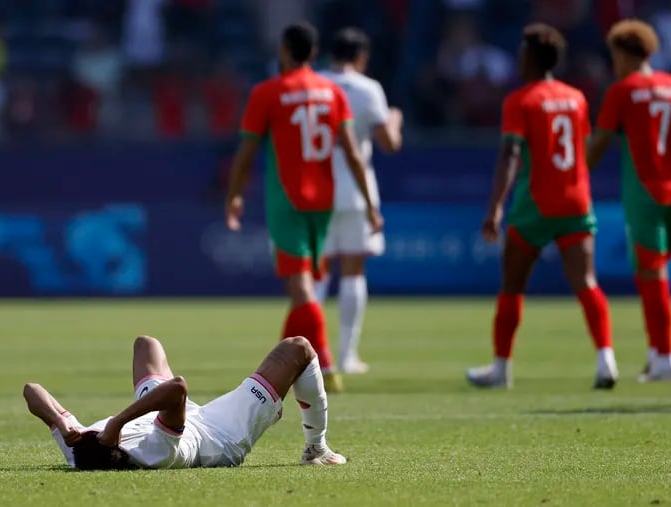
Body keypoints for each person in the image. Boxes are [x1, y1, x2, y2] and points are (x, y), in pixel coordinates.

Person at [225, 23, 383, 393]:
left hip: (288, 201)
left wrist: (233, 195)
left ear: (283, 50)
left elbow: (246, 153)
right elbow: (354, 154)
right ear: (313, 53)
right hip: (323, 202)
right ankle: (273, 373)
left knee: (302, 288)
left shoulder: (268, 92)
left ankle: (325, 364)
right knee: (304, 288)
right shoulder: (331, 93)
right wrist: (371, 204)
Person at [466, 24, 618, 390]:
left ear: (531, 58)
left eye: (521, 52)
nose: (518, 58)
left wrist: (495, 208)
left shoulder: (521, 100)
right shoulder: (576, 98)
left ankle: (501, 369)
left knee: (512, 286)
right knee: (586, 282)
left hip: (535, 204)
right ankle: (606, 361)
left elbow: (510, 153)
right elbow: (581, 148)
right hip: (576, 200)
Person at [587, 19, 671, 382]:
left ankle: (666, 360)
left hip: (643, 192)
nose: (613, 63)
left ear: (625, 53)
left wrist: (578, 167)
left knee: (653, 273)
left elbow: (599, 145)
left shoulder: (621, 91)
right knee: (650, 271)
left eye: (614, 55)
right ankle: (656, 352)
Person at [23, 335, 346, 469]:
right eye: (105, 435)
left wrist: (62, 423)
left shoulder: (79, 451)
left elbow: (31, 389)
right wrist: (118, 423)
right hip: (221, 433)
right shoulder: (156, 453)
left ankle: (316, 446)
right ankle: (316, 448)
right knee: (298, 348)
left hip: (161, 416)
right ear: (118, 448)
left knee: (145, 344)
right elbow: (178, 389)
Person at [314, 27, 403, 374]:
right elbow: (389, 143)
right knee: (353, 270)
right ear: (361, 57)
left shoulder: (315, 84)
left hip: (317, 191)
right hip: (354, 190)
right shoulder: (368, 89)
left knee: (317, 275)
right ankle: (347, 355)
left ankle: (315, 355)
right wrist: (395, 118)